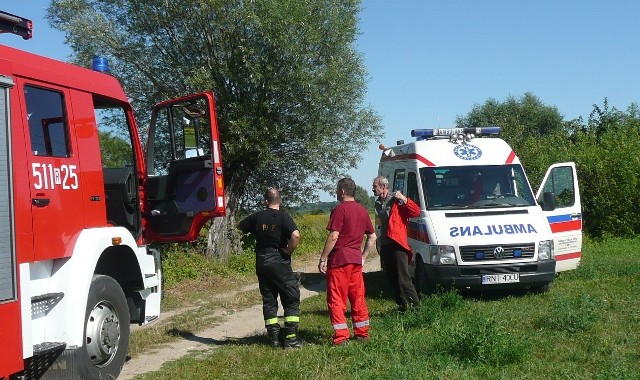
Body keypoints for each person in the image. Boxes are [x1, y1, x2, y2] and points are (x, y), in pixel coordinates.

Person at [237, 188, 303, 349]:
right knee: (291, 296)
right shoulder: (284, 217)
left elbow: (240, 226)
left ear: (265, 201)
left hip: (261, 260)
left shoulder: (256, 217)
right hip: (278, 259)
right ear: (279, 200)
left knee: (269, 299)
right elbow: (295, 235)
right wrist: (288, 250)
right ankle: (291, 338)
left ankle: (274, 337)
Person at [318, 178, 377, 345]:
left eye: (337, 190)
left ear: (342, 191)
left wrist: (323, 258)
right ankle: (362, 333)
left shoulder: (340, 209)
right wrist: (363, 256)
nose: (337, 193)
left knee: (337, 298)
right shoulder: (363, 210)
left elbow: (334, 236)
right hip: (355, 261)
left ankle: (341, 336)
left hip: (339, 261)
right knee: (358, 297)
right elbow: (372, 237)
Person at [372, 176, 421, 311]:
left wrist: (404, 199)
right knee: (392, 276)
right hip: (386, 242)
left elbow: (416, 212)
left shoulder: (396, 200)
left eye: (375, 186)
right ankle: (402, 305)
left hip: (398, 243)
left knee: (403, 276)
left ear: (383, 187)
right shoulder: (377, 203)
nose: (372, 188)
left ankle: (415, 307)